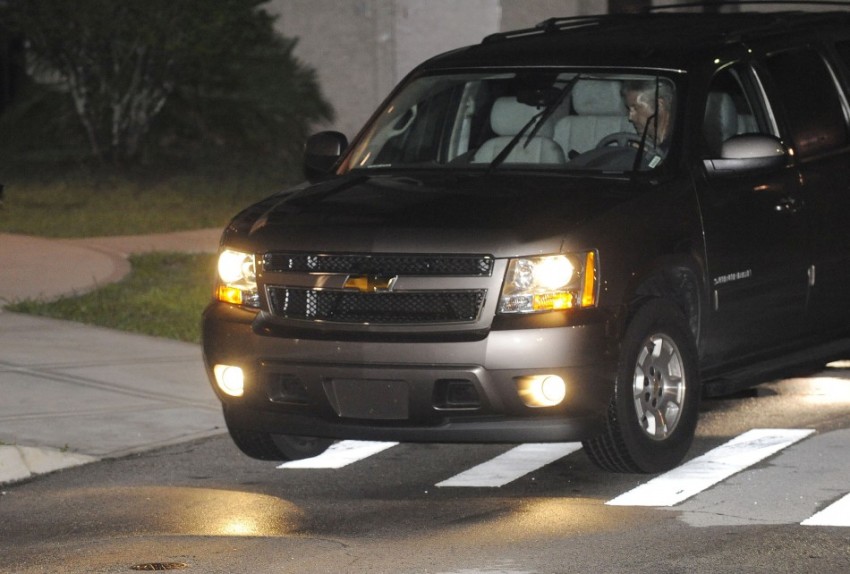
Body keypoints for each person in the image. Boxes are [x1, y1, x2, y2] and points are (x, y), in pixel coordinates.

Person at [621, 79, 674, 164]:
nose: (630, 117)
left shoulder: (679, 146)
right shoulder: (644, 142)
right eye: (629, 109)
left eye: (636, 108)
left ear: (659, 105)